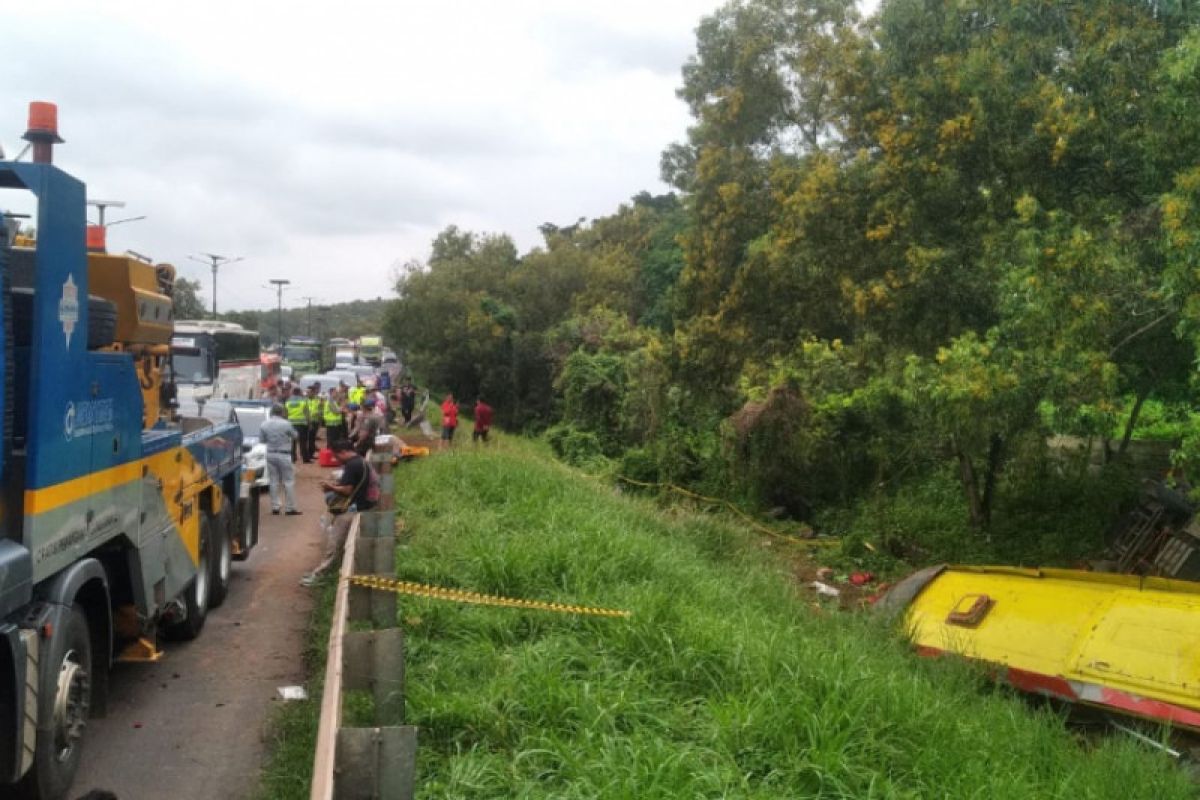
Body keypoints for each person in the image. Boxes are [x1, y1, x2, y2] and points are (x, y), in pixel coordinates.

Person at [300, 439, 376, 585]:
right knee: (335, 543)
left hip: (352, 509)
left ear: (343, 452)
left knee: (334, 544)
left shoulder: (352, 466)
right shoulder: (360, 461)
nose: (336, 459)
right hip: (361, 505)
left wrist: (330, 487)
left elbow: (347, 490)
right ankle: (323, 573)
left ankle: (320, 576)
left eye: (336, 455)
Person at [260, 403, 302, 515]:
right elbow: (295, 436)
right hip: (284, 454)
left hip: (270, 454)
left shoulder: (264, 424)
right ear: (282, 412)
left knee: (273, 481)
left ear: (272, 412)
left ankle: (275, 507)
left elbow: (262, 440)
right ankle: (290, 508)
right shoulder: (286, 424)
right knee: (288, 481)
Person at [285, 386, 310, 463]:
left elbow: (286, 413)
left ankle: (293, 458)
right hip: (302, 424)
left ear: (293, 392)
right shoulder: (303, 401)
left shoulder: (288, 401)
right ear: (299, 392)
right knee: (303, 441)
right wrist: (309, 423)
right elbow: (307, 413)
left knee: (292, 442)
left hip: (291, 423)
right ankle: (305, 459)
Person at [305, 384, 323, 462]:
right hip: (307, 422)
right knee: (308, 439)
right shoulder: (305, 400)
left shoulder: (318, 400)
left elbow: (321, 410)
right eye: (307, 392)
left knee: (312, 439)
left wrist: (320, 421)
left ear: (313, 392)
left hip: (315, 421)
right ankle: (307, 455)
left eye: (309, 392)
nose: (307, 393)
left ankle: (311, 454)